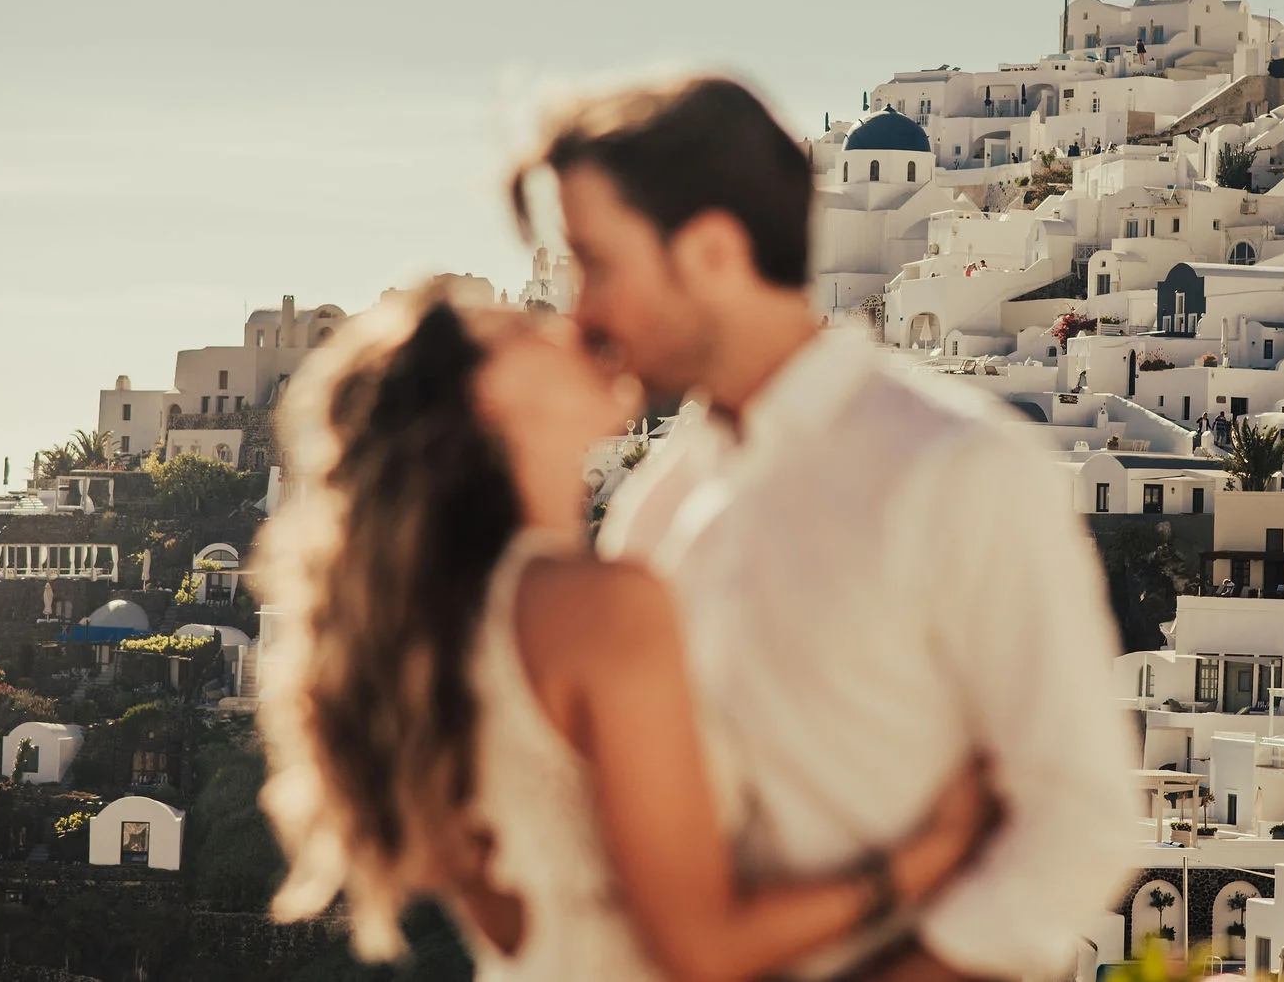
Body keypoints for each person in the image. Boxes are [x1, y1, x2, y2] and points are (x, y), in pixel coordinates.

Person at [514, 77, 1136, 981]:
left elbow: (1080, 820)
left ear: (713, 253)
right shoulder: (654, 502)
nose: (582, 312)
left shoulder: (958, 468)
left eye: (599, 264)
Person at [251, 287, 994, 980]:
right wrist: (925, 858)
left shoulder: (470, 619)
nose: (571, 326)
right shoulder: (589, 606)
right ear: (491, 398)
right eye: (529, 328)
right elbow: (705, 946)